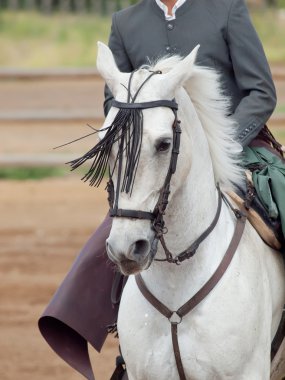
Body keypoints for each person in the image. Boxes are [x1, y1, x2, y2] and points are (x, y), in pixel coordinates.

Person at [39, 1, 284, 380]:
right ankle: (126, 345)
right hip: (157, 155)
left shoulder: (227, 10)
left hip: (238, 148)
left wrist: (220, 146)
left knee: (281, 202)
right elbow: (114, 102)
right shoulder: (125, 23)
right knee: (123, 224)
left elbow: (261, 92)